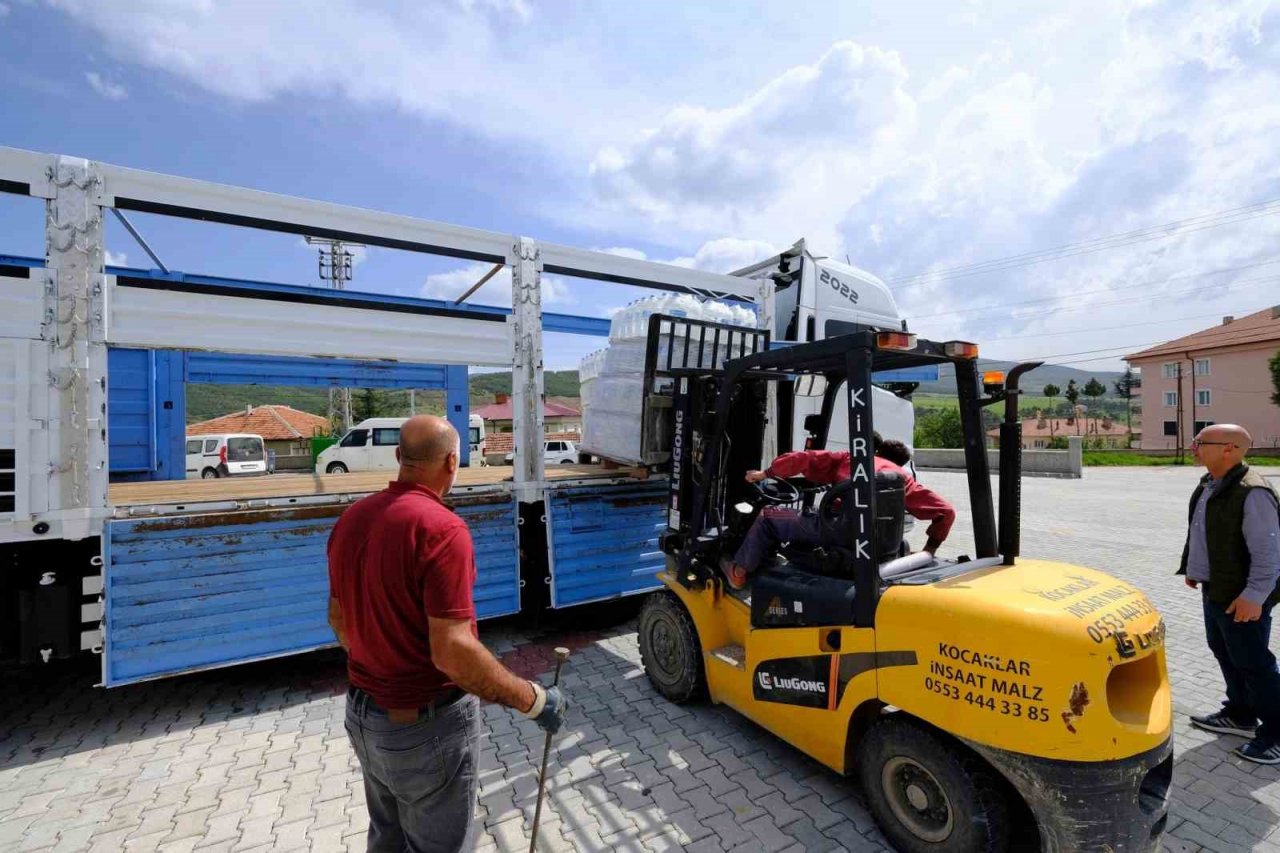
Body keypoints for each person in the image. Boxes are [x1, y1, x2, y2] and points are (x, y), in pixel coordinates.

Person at [327, 415, 568, 851]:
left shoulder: (352, 518)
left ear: (399, 456)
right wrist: (532, 700)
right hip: (424, 730)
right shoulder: (441, 529)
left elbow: (339, 618)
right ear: (453, 461)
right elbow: (452, 652)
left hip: (363, 717)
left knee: (387, 838)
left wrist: (382, 661)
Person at [724, 437, 956, 589]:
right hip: (874, 542)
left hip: (834, 530)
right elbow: (946, 512)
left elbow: (803, 459)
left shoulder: (852, 459)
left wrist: (765, 473)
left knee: (768, 516)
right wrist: (929, 551)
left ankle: (739, 572)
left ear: (876, 451)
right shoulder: (902, 478)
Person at [1181, 424, 1280, 764]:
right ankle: (1240, 714)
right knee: (1224, 651)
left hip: (1242, 594)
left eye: (1200, 442)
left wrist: (1254, 596)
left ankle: (1275, 733)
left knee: (1254, 663)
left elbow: (1269, 553)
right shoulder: (1211, 483)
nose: (1193, 447)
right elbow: (1203, 531)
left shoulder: (1252, 492)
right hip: (1217, 587)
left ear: (1229, 449)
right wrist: (1194, 568)